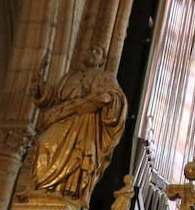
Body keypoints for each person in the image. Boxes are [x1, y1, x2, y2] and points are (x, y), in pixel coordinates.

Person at [31, 45, 127, 199]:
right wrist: (40, 90)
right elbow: (53, 99)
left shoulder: (105, 77)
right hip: (62, 117)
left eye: (97, 52)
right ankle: (43, 188)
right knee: (43, 144)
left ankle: (64, 191)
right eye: (89, 50)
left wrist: (109, 98)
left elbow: (118, 96)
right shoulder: (69, 76)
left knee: (77, 156)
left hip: (83, 122)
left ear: (102, 60)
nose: (92, 53)